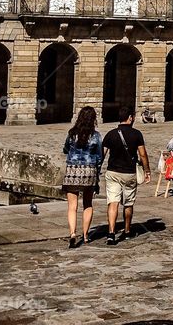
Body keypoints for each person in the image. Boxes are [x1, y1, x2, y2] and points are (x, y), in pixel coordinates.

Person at [100, 106, 151, 245]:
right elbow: (143, 154)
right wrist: (147, 170)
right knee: (128, 203)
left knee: (113, 202)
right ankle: (127, 231)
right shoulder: (136, 134)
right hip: (129, 173)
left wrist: (97, 170)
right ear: (130, 118)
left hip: (113, 173)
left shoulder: (110, 134)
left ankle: (111, 233)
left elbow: (102, 155)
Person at [62, 106, 102, 248]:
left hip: (72, 171)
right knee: (88, 204)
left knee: (72, 206)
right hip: (89, 171)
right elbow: (99, 156)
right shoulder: (96, 136)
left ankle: (73, 233)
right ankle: (85, 235)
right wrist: (97, 173)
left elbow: (65, 149)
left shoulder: (72, 133)